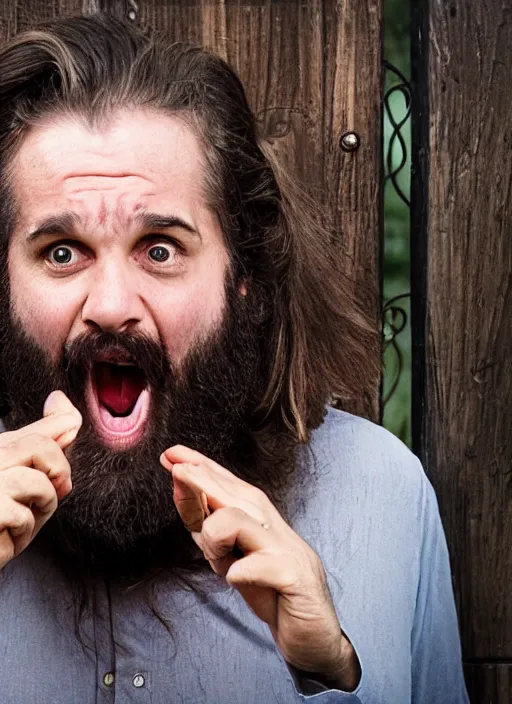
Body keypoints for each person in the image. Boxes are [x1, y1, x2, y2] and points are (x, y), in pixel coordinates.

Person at [0, 13, 468, 704]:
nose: (109, 302)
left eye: (160, 248)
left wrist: (334, 673)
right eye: (61, 252)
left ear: (241, 277)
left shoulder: (382, 495)